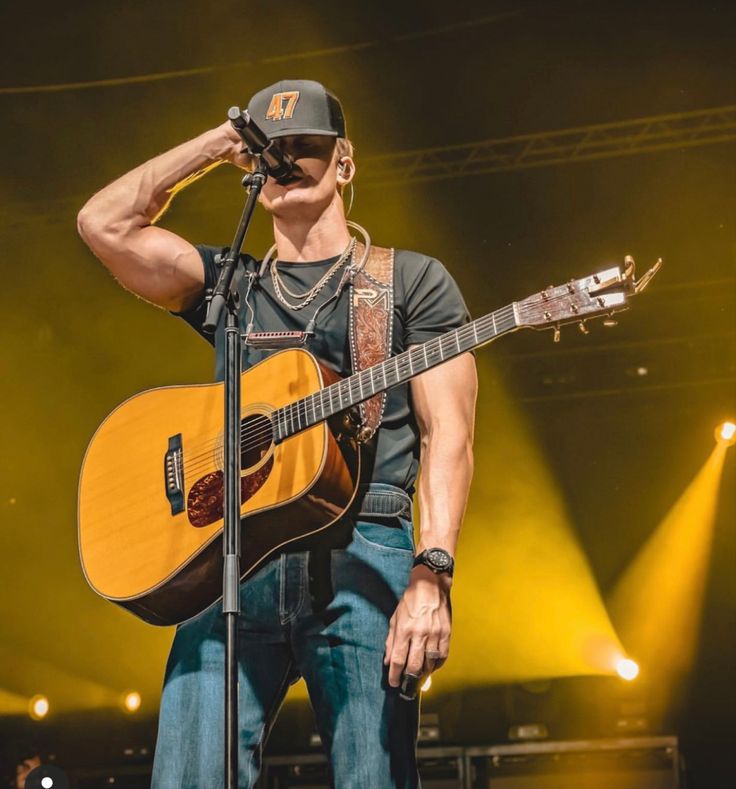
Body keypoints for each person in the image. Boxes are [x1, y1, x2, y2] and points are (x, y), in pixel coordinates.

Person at [77, 79, 477, 788]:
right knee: (188, 778)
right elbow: (102, 224)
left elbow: (451, 433)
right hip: (235, 551)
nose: (288, 161)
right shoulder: (228, 282)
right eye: (274, 149)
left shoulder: (410, 281)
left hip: (365, 546)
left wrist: (432, 570)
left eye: (307, 148)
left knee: (374, 778)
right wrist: (216, 146)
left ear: (345, 163)